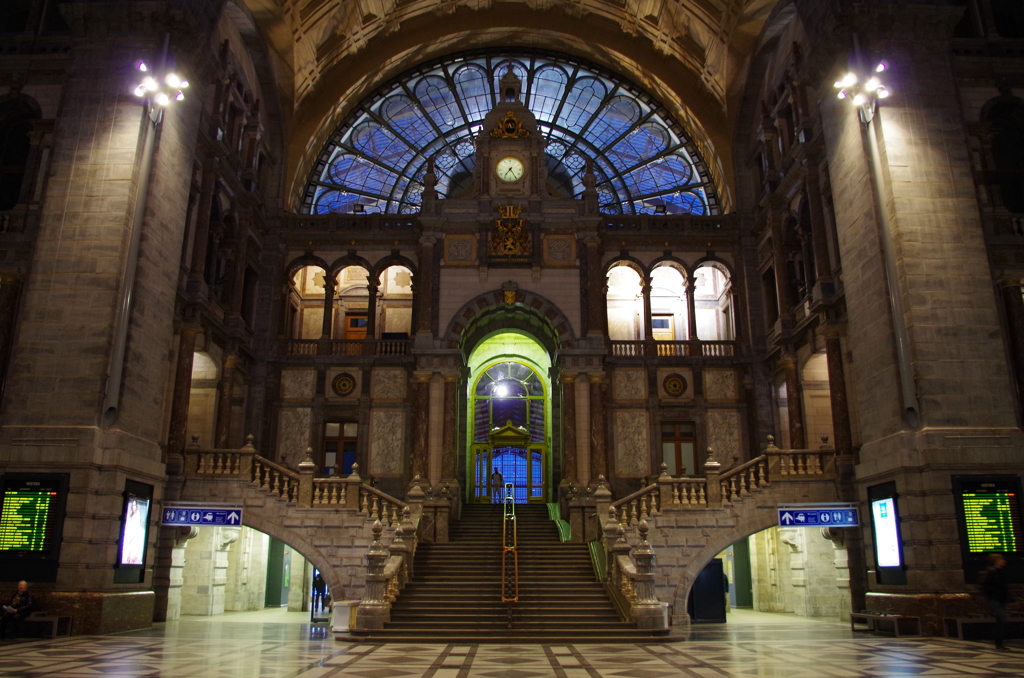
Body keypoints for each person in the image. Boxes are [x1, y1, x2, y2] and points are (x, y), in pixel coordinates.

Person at [981, 553, 1010, 651]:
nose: (1003, 561)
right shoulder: (990, 573)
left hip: (1000, 599)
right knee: (1001, 618)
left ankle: (999, 642)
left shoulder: (1000, 572)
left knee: (1001, 620)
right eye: (1000, 560)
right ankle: (998, 643)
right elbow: (986, 588)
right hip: (994, 599)